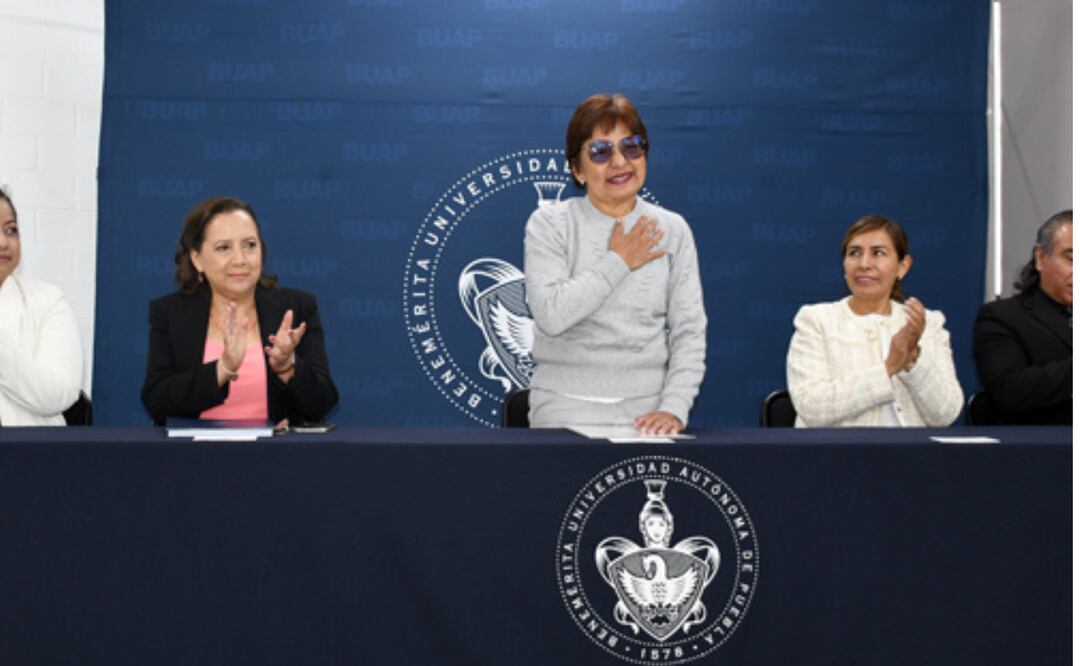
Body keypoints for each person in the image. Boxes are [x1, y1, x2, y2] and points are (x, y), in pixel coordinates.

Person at [524, 93, 707, 434]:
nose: (620, 162)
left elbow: (689, 332)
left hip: (649, 415)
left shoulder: (673, 230)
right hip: (562, 409)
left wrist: (674, 408)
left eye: (632, 147)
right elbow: (550, 315)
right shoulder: (549, 224)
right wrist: (619, 260)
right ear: (577, 170)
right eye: (600, 152)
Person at [141, 196, 338, 426]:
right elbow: (156, 401)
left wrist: (287, 367)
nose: (240, 259)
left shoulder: (297, 309)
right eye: (224, 248)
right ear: (197, 259)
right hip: (195, 456)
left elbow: (323, 403)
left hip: (277, 455)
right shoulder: (170, 313)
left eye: (249, 245)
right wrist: (223, 368)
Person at [786, 215, 963, 427]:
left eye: (878, 253)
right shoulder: (816, 320)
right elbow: (812, 408)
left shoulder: (927, 324)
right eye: (854, 253)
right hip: (837, 456)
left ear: (902, 266)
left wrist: (912, 360)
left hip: (912, 456)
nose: (864, 264)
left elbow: (945, 414)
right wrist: (889, 367)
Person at [973, 210, 1072, 424]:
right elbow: (1008, 391)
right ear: (1041, 258)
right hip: (1043, 447)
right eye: (1071, 259)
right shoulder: (1002, 317)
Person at [0, 188, 84, 426]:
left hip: (28, 453)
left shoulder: (47, 301)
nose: (3, 242)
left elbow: (59, 394)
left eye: (11, 230)